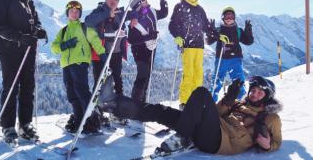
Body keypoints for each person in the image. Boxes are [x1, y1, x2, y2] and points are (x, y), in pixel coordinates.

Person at [102, 76, 282, 155]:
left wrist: (268, 146)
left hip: (220, 142)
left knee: (202, 93)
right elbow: (217, 113)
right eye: (254, 90)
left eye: (260, 92)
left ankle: (182, 137)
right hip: (207, 129)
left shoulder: (270, 118)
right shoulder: (238, 104)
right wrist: (229, 98)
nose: (255, 94)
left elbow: (277, 142)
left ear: (267, 97)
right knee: (160, 111)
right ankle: (113, 104)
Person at [0, 0, 47, 142]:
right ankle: (7, 127)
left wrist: (39, 30)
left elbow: (35, 21)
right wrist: (20, 37)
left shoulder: (29, 2)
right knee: (11, 87)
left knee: (28, 87)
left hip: (28, 49)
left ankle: (25, 124)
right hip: (9, 49)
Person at [51, 1, 106, 133]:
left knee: (81, 91)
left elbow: (95, 41)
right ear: (67, 13)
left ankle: (91, 122)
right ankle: (79, 120)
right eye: (71, 12)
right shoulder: (63, 31)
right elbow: (54, 47)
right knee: (71, 93)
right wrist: (64, 45)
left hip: (80, 62)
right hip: (66, 65)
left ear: (80, 14)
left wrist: (103, 54)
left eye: (77, 12)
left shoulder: (84, 27)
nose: (74, 14)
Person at [168, 0, 217, 109]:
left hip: (199, 46)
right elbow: (172, 24)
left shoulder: (200, 10)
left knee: (198, 74)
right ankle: (184, 102)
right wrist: (177, 36)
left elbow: (206, 27)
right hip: (187, 45)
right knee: (188, 73)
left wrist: (217, 35)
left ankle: (196, 100)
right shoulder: (180, 6)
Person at [127, 0, 168, 103]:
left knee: (147, 75)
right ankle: (135, 105)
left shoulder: (152, 11)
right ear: (140, 4)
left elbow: (164, 13)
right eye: (144, 0)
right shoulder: (136, 19)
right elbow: (131, 39)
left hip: (151, 48)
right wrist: (149, 37)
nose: (147, 0)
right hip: (139, 50)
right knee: (142, 75)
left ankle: (141, 103)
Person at [207, 6, 254, 102]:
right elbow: (208, 41)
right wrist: (211, 31)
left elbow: (249, 41)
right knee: (216, 81)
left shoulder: (238, 31)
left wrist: (248, 31)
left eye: (231, 16)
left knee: (239, 82)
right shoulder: (218, 30)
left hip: (235, 59)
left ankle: (241, 103)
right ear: (223, 18)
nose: (229, 19)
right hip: (221, 59)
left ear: (234, 18)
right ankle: (210, 104)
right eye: (227, 16)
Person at [85, 0, 126, 95]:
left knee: (118, 82)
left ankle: (118, 109)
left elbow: (133, 14)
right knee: (99, 83)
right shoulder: (99, 11)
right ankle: (96, 109)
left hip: (116, 53)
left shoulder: (120, 13)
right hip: (101, 54)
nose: (113, 1)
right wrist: (107, 14)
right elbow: (88, 21)